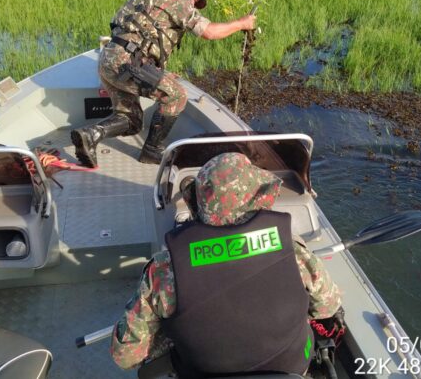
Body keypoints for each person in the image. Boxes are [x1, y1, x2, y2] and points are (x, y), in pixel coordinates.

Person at [110, 152, 343, 377]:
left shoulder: (164, 270)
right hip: (290, 370)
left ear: (196, 203)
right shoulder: (295, 254)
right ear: (258, 197)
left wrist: (170, 335)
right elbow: (327, 308)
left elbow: (126, 356)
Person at [71, 0, 257, 167]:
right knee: (176, 96)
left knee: (131, 120)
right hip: (130, 64)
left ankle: (91, 134)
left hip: (110, 59)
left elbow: (144, 32)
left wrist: (158, 71)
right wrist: (242, 23)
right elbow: (209, 32)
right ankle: (152, 151)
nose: (193, 4)